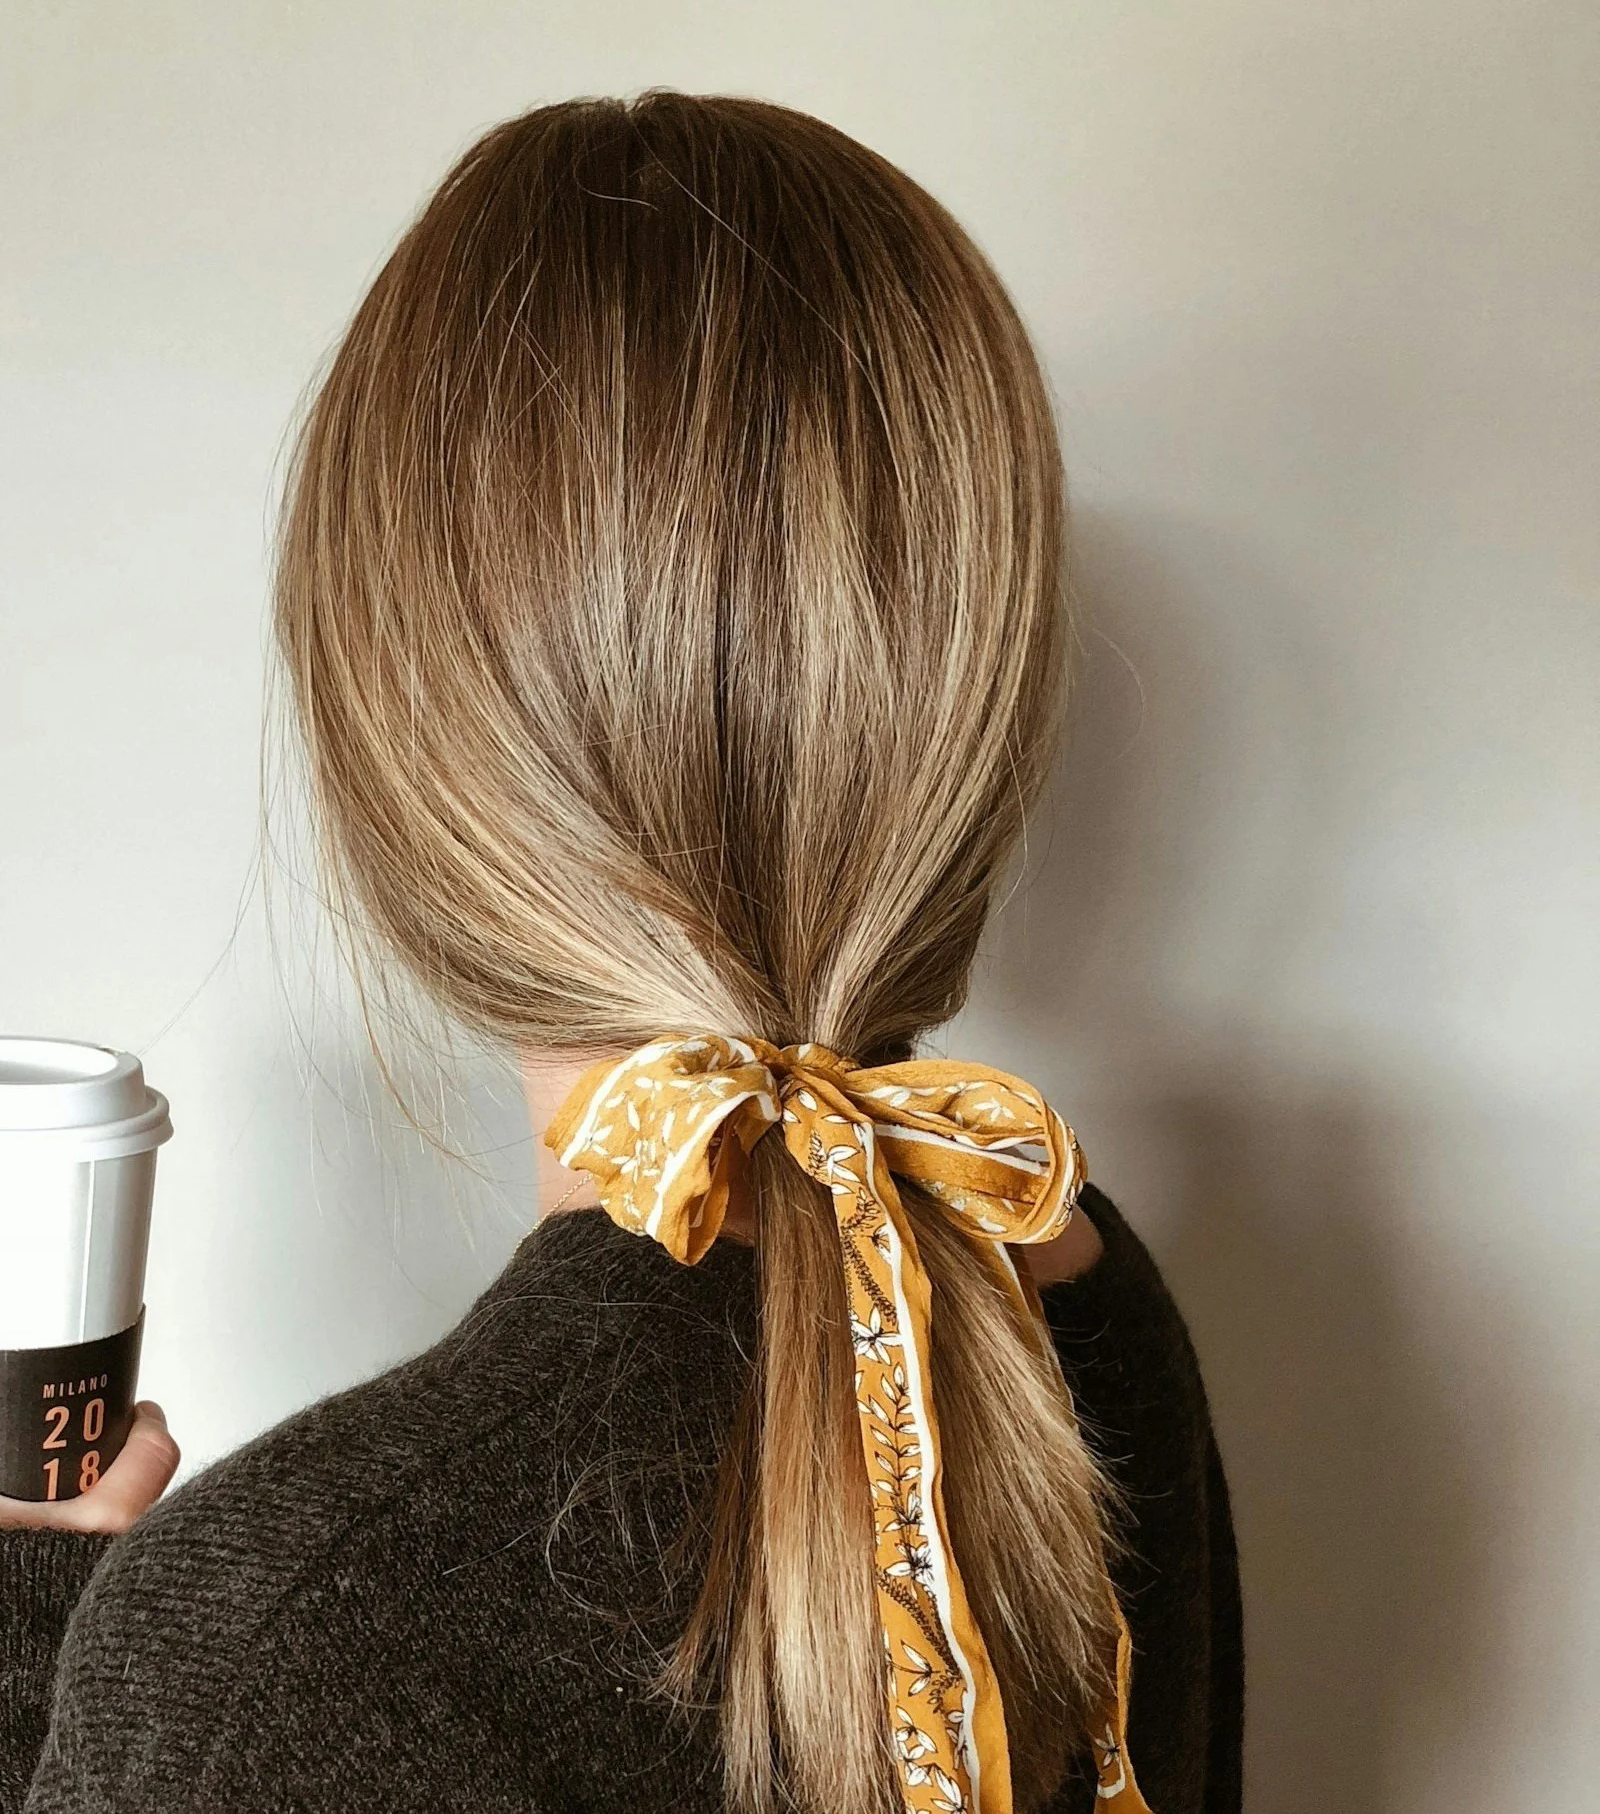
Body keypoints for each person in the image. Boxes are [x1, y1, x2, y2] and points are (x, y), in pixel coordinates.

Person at [0, 91, 1242, 1814]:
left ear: (401, 765)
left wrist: (49, 1658)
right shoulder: (1067, 1275)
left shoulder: (280, 1639)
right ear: (981, 710)